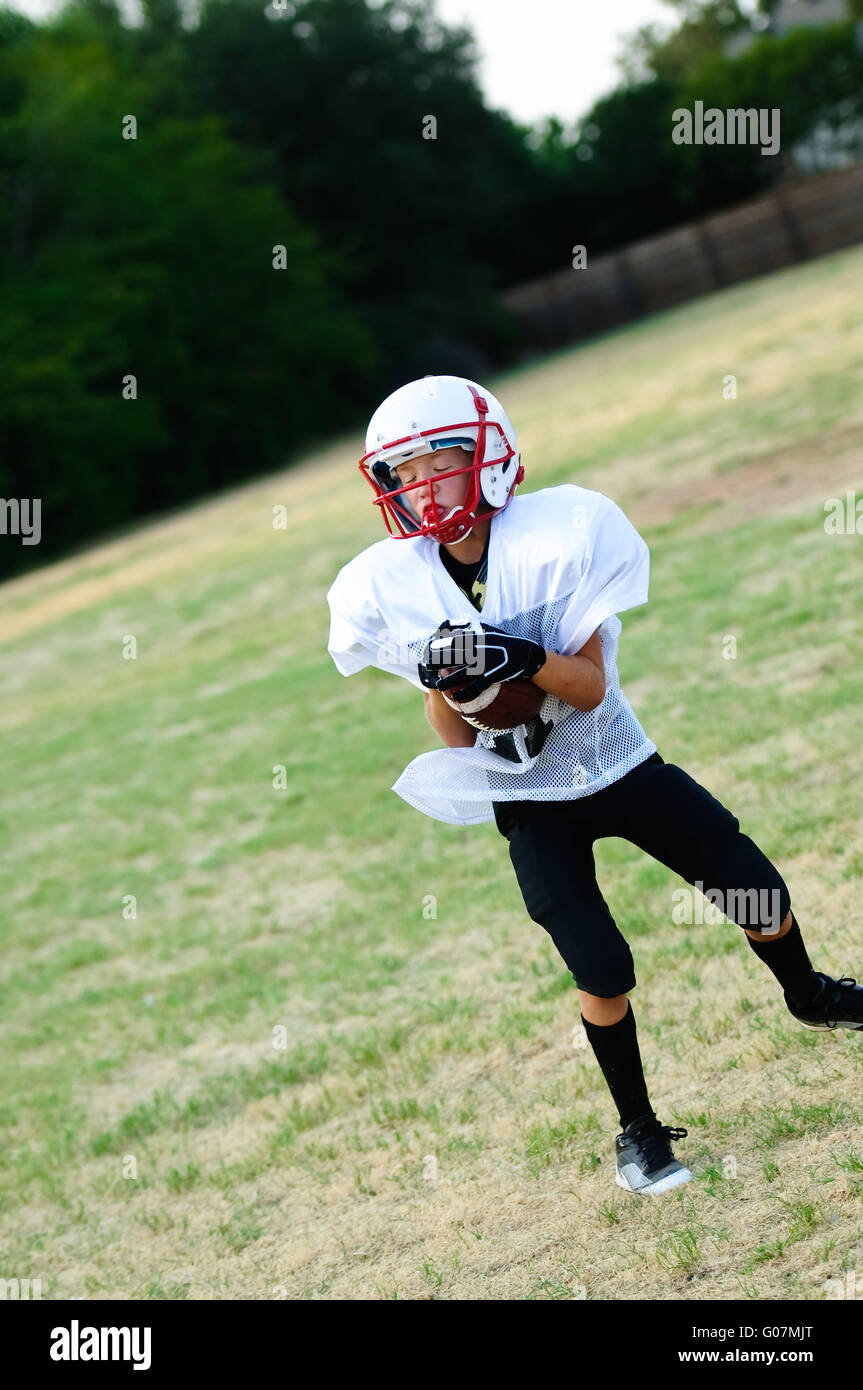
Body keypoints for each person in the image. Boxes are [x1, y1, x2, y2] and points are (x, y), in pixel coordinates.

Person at [326, 374, 863, 1195]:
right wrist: (448, 686)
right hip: (527, 795)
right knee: (600, 967)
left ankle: (810, 996)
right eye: (406, 473)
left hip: (613, 761)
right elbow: (457, 733)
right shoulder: (392, 583)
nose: (423, 485)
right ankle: (639, 1131)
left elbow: (587, 689)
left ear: (489, 456)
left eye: (440, 461)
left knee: (755, 889)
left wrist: (520, 657)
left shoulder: (564, 527)